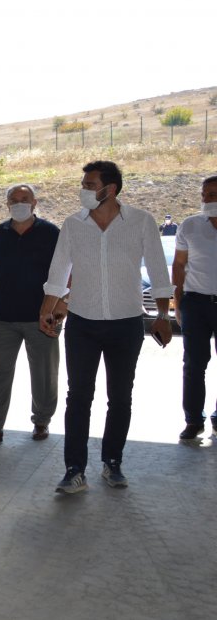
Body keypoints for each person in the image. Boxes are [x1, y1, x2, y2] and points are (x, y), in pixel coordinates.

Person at [40, 161, 173, 494]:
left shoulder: (141, 221)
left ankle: (112, 462)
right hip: (82, 324)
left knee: (120, 397)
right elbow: (58, 271)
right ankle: (74, 469)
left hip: (126, 324)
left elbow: (158, 269)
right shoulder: (73, 224)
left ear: (109, 189)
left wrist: (162, 314)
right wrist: (47, 310)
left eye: (89, 185)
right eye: (83, 184)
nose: (83, 190)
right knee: (78, 397)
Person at [0, 184, 61, 444]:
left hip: (42, 318)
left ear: (35, 203)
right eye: (14, 199)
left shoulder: (51, 233)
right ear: (7, 204)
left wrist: (60, 306)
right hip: (3, 317)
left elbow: (65, 272)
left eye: (25, 199)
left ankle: (41, 421)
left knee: (44, 372)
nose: (19, 203)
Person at [173, 175, 217, 440]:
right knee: (193, 365)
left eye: (213, 195)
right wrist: (178, 303)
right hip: (195, 303)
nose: (207, 199)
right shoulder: (189, 226)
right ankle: (193, 420)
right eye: (204, 194)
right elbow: (179, 265)